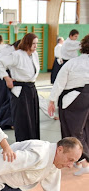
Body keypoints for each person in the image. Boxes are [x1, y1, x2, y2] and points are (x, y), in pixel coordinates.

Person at [48, 34, 89, 176]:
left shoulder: (73, 63)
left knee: (74, 131)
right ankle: (81, 160)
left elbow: (59, 82)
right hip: (84, 96)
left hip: (75, 99)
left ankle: (84, 162)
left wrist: (52, 100)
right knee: (86, 129)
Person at [0, 33, 40, 142]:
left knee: (33, 118)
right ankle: (23, 143)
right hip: (20, 90)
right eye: (33, 43)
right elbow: (0, 63)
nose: (35, 46)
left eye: (36, 44)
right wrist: (7, 78)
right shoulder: (17, 55)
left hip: (31, 89)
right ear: (27, 43)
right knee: (22, 119)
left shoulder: (34, 55)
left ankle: (34, 143)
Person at [0, 40, 21, 129]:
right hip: (1, 76)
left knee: (7, 98)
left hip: (4, 74)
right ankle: (0, 121)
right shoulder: (8, 51)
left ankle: (6, 121)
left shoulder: (11, 50)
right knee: (2, 98)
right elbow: (0, 64)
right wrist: (7, 78)